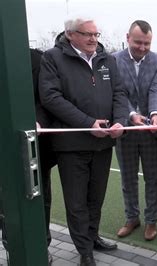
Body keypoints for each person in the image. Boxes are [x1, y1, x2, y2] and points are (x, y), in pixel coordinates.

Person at [39, 17, 128, 266]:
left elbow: (119, 93)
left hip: (103, 143)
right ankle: (84, 251)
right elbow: (50, 97)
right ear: (70, 34)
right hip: (71, 145)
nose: (93, 39)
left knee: (95, 197)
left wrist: (120, 120)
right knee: (76, 201)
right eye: (87, 34)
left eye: (96, 34)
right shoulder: (53, 58)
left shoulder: (106, 59)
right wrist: (89, 123)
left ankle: (92, 237)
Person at [114, 20, 157, 241]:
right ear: (128, 37)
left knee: (153, 178)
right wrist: (130, 115)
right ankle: (131, 217)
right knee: (128, 178)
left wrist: (154, 114)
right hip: (125, 130)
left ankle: (151, 221)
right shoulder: (113, 60)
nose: (142, 48)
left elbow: (156, 89)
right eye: (138, 42)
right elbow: (118, 92)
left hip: (150, 132)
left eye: (147, 43)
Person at [31, 48, 57, 265]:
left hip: (36, 146)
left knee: (41, 197)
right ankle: (10, 243)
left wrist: (38, 120)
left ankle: (42, 245)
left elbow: (46, 98)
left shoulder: (37, 59)